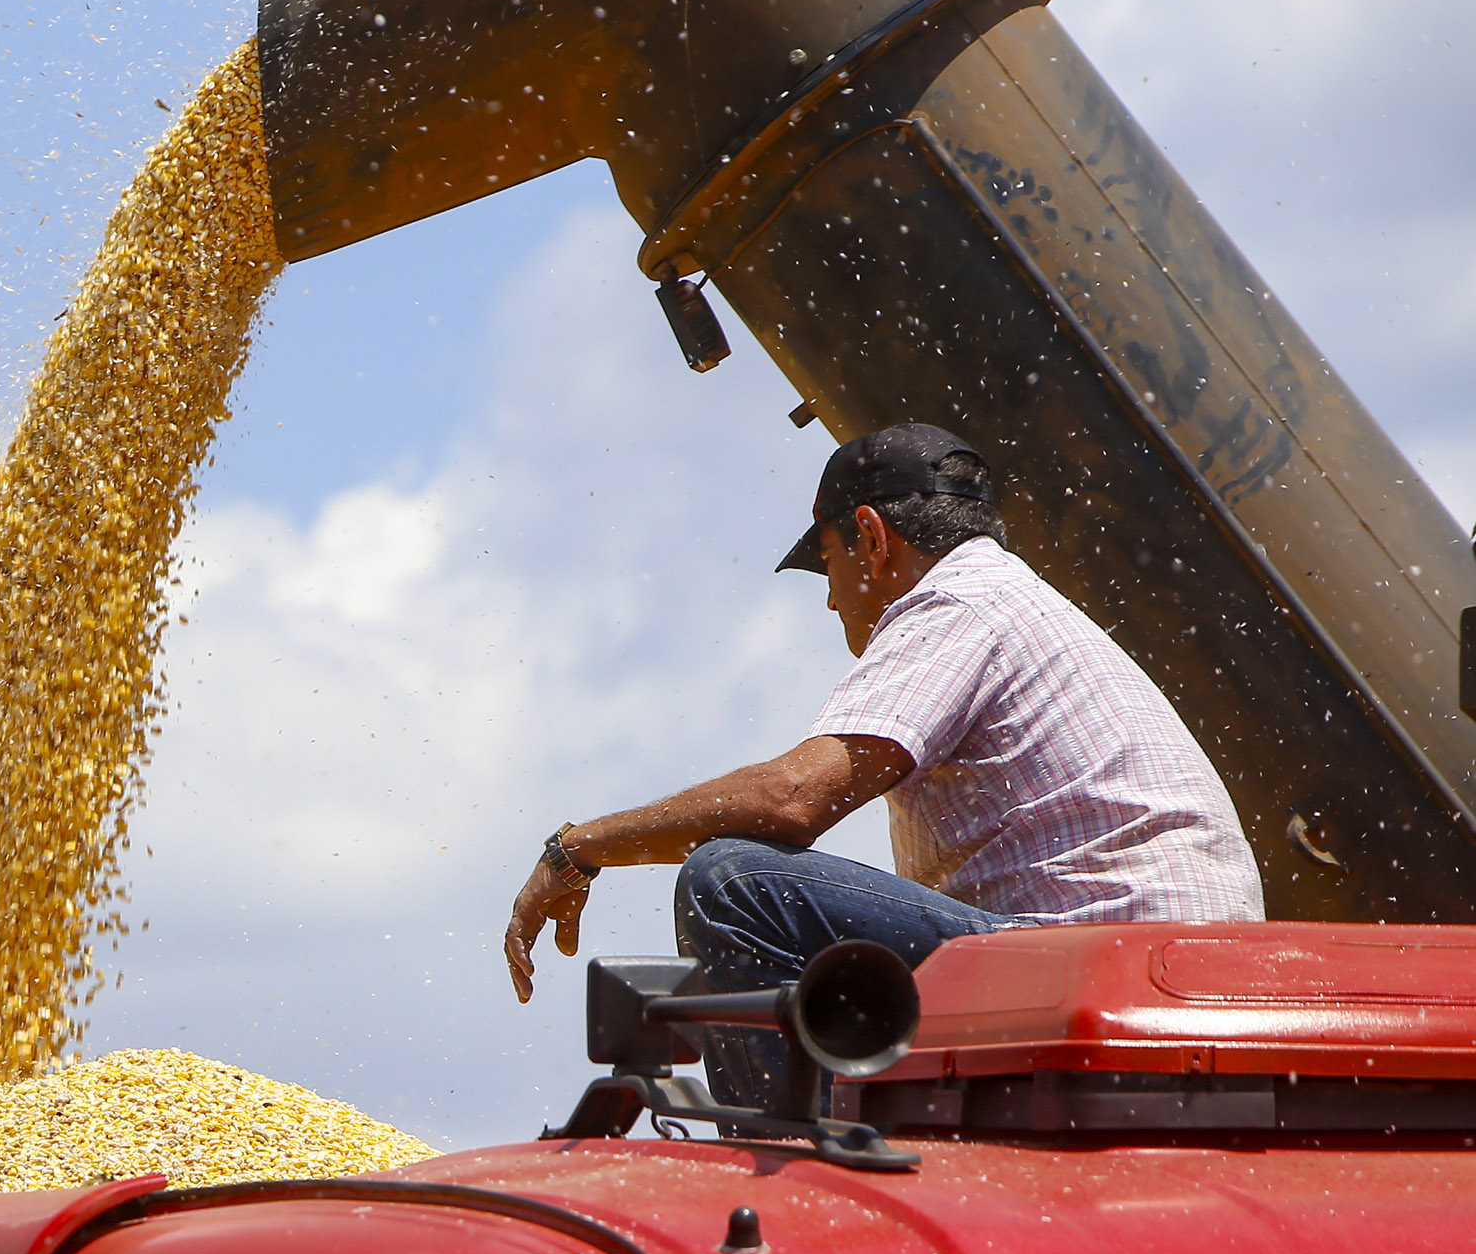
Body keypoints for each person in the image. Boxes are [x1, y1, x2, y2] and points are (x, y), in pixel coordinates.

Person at [502, 422, 1264, 1110]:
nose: (832, 603)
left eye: (827, 563)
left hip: (1102, 968)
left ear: (870, 537)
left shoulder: (959, 605)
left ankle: (799, 1178)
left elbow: (793, 799)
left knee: (734, 883)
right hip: (1180, 977)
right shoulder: (1018, 606)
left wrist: (580, 846)